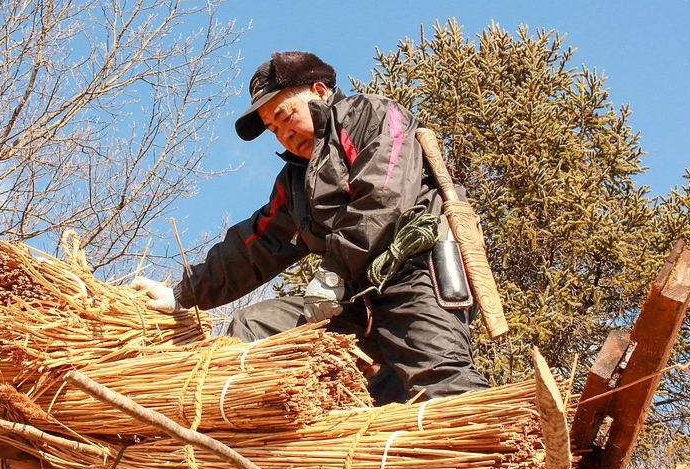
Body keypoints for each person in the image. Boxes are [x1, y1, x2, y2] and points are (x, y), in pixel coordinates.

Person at [132, 51, 489, 404]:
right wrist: (182, 294)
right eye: (274, 129)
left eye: (286, 116)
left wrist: (333, 272)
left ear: (319, 90)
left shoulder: (371, 116)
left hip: (418, 271)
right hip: (356, 298)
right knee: (257, 329)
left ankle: (507, 444)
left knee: (436, 375)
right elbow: (255, 243)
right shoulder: (297, 182)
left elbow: (384, 195)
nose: (284, 134)